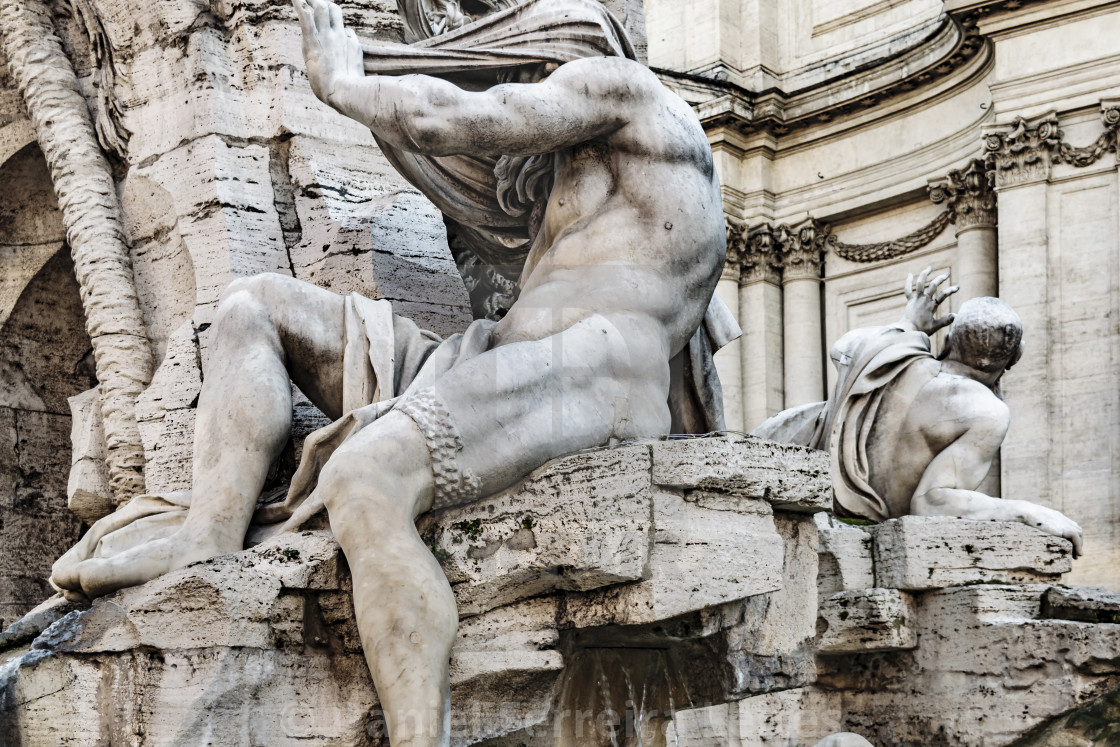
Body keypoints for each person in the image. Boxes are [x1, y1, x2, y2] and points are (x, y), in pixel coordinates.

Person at [49, 0, 732, 744]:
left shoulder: (627, 89)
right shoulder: (594, 179)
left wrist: (344, 83)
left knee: (363, 477)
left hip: (589, 375)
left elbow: (464, 117)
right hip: (490, 360)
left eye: (519, 70)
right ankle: (208, 533)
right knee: (254, 306)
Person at [754, 268, 1083, 554]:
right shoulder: (986, 411)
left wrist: (910, 322)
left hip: (805, 511)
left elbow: (843, 348)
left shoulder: (890, 351)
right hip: (857, 535)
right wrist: (1028, 513)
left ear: (949, 339)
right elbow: (930, 502)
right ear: (1016, 357)